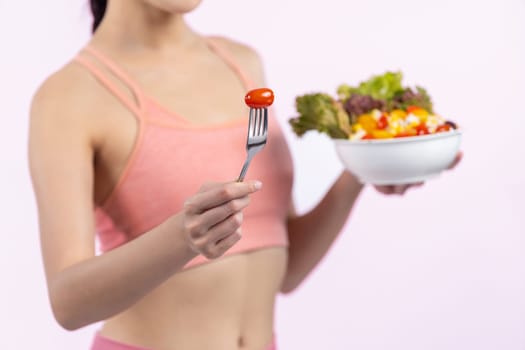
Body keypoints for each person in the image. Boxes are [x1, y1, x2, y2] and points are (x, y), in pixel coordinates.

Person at [28, 1, 461, 349]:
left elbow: (285, 267)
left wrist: (360, 171)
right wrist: (182, 238)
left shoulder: (242, 64)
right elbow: (68, 304)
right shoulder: (69, 97)